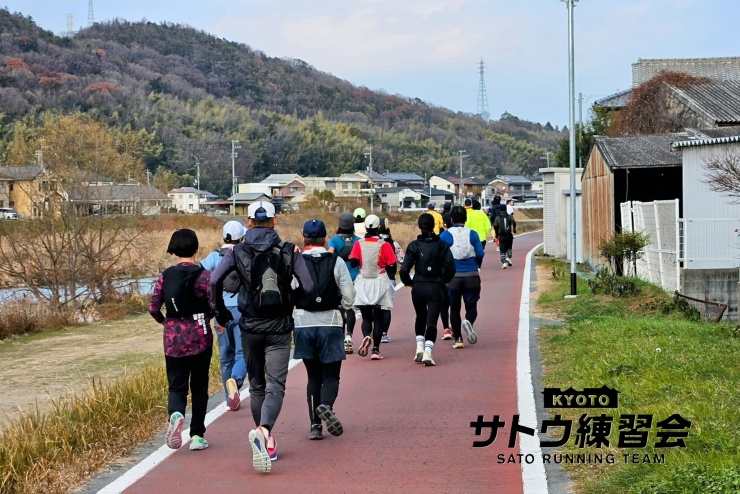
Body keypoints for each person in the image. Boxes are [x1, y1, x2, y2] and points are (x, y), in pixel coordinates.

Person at [209, 201, 314, 474]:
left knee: (256, 386)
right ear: (275, 220)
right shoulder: (289, 250)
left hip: (250, 327)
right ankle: (264, 431)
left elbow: (214, 281)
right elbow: (308, 285)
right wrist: (290, 300)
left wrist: (221, 314)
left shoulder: (237, 251)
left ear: (249, 222)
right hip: (280, 327)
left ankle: (264, 436)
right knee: (275, 385)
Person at [149, 229, 213, 451]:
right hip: (200, 336)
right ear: (197, 248)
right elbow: (214, 304)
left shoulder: (166, 276)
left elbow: (153, 307)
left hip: (173, 338)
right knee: (199, 387)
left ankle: (176, 413)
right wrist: (212, 317)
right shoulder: (205, 276)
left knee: (176, 386)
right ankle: (197, 436)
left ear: (174, 250)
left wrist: (165, 322)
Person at [294, 219, 355, 440]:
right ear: (326, 238)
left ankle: (315, 426)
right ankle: (326, 405)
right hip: (330, 322)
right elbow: (349, 296)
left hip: (303, 323)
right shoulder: (336, 261)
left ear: (303, 238)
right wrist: (343, 307)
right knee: (331, 375)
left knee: (313, 376)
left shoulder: (297, 262)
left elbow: (290, 289)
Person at [200, 221, 248, 412]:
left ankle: (229, 400)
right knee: (242, 353)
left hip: (220, 312)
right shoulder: (245, 255)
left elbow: (200, 276)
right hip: (242, 310)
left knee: (225, 356)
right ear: (242, 238)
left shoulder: (213, 257)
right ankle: (235, 381)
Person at [400, 213, 455, 366]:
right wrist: (444, 280)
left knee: (420, 316)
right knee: (432, 320)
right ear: (434, 225)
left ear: (419, 226)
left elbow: (404, 269)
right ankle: (428, 352)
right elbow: (451, 267)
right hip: (436, 285)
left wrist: (409, 283)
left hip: (418, 285)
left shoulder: (414, 245)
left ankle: (419, 347)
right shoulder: (442, 245)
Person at [348, 214, 398, 360]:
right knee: (378, 318)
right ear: (378, 227)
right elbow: (391, 264)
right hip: (379, 280)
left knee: (366, 318)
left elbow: (353, 262)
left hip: (363, 281)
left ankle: (366, 336)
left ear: (365, 227)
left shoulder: (358, 244)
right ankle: (375, 350)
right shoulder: (384, 244)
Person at [440, 206, 484, 349]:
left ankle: (458, 339)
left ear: (451, 219)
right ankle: (468, 322)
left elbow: (440, 255)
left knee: (454, 308)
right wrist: (477, 265)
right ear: (465, 219)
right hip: (471, 274)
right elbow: (480, 253)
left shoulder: (445, 236)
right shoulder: (473, 233)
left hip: (453, 277)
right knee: (472, 306)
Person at [327, 212, 361, 354]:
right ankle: (349, 336)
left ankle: (341, 339)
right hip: (354, 277)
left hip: (338, 278)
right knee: (351, 307)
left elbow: (329, 257)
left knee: (340, 308)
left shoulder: (334, 240)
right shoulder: (358, 240)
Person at [377, 216, 404, 344]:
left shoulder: (372, 242)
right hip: (389, 278)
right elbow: (403, 260)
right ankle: (384, 334)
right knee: (386, 306)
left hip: (374, 277)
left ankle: (373, 332)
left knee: (375, 306)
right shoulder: (393, 244)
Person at [493, 199, 518, 269]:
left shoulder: (498, 218)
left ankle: (504, 262)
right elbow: (514, 222)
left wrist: (496, 235)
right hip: (509, 235)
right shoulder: (510, 216)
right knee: (509, 248)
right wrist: (514, 230)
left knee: (502, 249)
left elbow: (495, 226)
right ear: (506, 209)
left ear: (500, 210)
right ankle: (508, 257)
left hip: (501, 235)